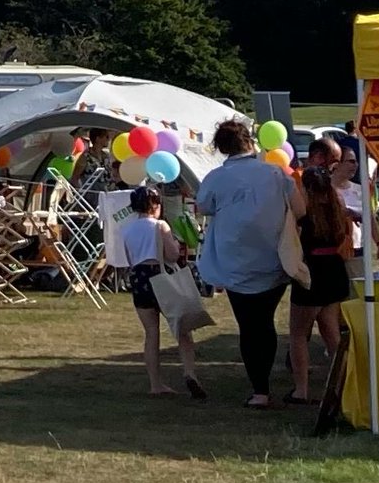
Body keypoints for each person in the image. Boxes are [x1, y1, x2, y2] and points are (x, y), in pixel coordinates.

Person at [197, 119, 306, 409]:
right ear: (250, 141)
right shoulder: (275, 172)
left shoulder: (216, 178)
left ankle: (260, 388)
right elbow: (301, 209)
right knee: (265, 322)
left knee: (248, 326)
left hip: (235, 263)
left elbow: (203, 206)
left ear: (221, 148)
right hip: (272, 259)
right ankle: (263, 382)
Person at [123, 186, 206, 399]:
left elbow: (130, 260)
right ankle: (190, 373)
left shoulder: (128, 229)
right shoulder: (160, 226)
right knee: (182, 328)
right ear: (156, 205)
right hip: (161, 278)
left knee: (151, 333)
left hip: (139, 279)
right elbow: (170, 255)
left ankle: (155, 383)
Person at [287, 166, 352, 404]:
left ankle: (301, 389)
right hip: (334, 270)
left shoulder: (304, 214)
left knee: (298, 334)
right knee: (331, 332)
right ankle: (343, 384)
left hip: (312, 272)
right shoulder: (337, 211)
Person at [330, 144, 379, 276]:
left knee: (357, 292)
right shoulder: (324, 189)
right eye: (351, 161)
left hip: (357, 250)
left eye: (356, 161)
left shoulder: (360, 190)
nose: (355, 165)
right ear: (337, 163)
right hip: (331, 252)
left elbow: (371, 219)